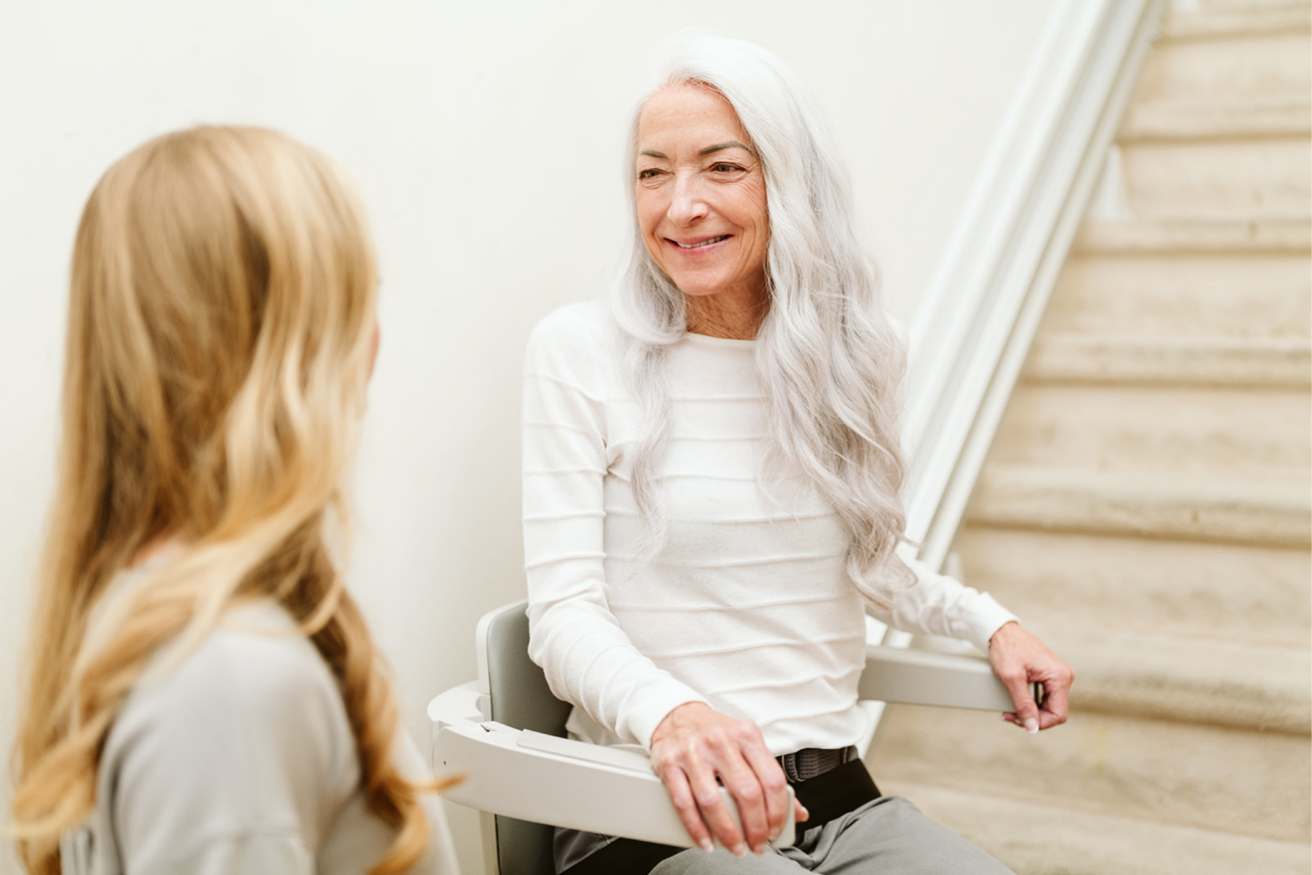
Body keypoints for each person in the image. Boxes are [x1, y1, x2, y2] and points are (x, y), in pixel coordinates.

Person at [521, 34, 1074, 875]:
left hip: (839, 805)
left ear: (791, 181)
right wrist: (676, 714)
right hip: (650, 811)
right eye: (652, 172)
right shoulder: (579, 349)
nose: (680, 207)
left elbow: (867, 558)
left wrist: (986, 621)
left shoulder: (859, 352)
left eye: (722, 167)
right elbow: (562, 612)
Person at [10, 126, 460, 875]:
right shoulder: (228, 681)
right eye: (355, 302)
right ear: (286, 351)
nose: (375, 342)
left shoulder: (144, 614)